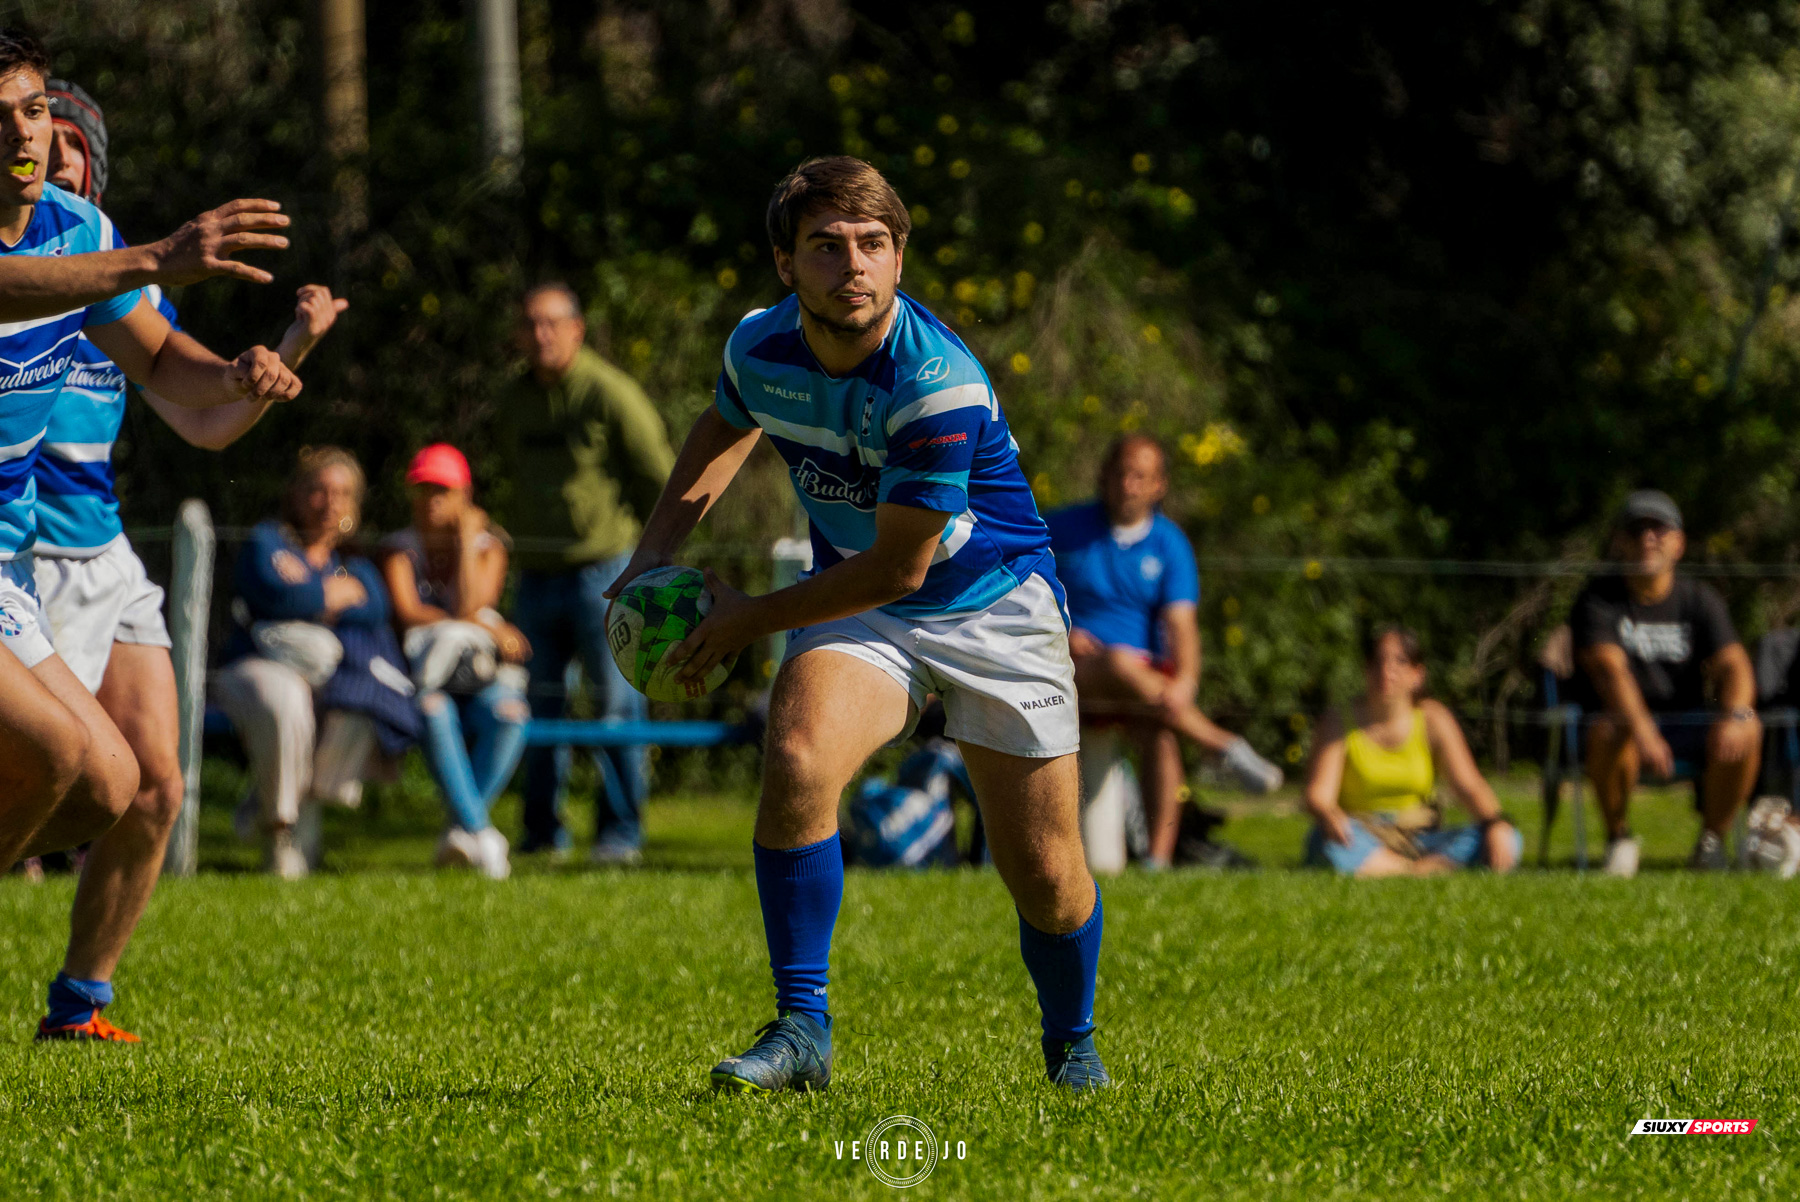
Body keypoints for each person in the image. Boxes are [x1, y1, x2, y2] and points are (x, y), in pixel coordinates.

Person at [607, 156, 1109, 1093]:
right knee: (798, 757)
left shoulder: (936, 382)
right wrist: (652, 555)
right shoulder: (758, 347)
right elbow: (726, 424)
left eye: (874, 244)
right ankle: (803, 1030)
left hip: (993, 608)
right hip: (861, 607)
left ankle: (1073, 1046)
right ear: (785, 264)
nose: (854, 266)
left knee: (1046, 873)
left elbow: (900, 566)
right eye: (826, 246)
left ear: (900, 257)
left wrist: (749, 621)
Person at [26, 77, 343, 1042]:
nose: (51, 154)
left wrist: (277, 357)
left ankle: (80, 1004)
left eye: (71, 142)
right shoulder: (22, 270)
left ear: (96, 167)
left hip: (103, 550)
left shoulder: (115, 275)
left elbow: (199, 417)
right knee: (62, 784)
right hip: (25, 554)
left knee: (157, 786)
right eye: (40, 134)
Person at [1047, 434, 1284, 868]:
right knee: (1119, 661)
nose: (1128, 485)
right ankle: (1219, 745)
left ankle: (1157, 861)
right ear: (1104, 476)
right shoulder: (1060, 529)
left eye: (1140, 476)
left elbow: (1181, 624)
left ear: (1160, 485)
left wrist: (1186, 683)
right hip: (1074, 673)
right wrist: (1062, 629)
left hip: (1144, 686)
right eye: (1121, 474)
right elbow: (1022, 588)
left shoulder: (1170, 544)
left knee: (1160, 733)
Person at [498, 282, 674, 863]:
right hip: (534, 576)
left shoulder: (608, 392)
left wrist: (650, 556)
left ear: (576, 329)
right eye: (530, 324)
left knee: (615, 707)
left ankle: (619, 835)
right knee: (535, 707)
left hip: (605, 575)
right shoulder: (513, 399)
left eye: (552, 323)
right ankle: (542, 834)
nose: (540, 335)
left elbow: (659, 475)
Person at [214, 448, 418, 879]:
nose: (330, 503)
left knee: (353, 705)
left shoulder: (355, 563)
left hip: (328, 682)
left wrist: (305, 591)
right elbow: (272, 594)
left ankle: (264, 806)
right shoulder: (268, 540)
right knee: (286, 698)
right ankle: (279, 832)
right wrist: (331, 594)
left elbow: (375, 609)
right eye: (319, 491)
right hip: (255, 665)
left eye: (342, 494)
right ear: (296, 494)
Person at [1571, 490, 1759, 876]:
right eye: (1636, 530)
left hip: (1687, 723)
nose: (1647, 538)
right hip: (1623, 723)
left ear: (1679, 543)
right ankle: (1619, 839)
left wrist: (1736, 714)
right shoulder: (1597, 600)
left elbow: (1735, 664)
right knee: (1609, 730)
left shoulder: (1700, 599)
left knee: (1749, 727)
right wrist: (1643, 730)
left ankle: (1711, 843)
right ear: (1619, 542)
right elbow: (1611, 671)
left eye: (1658, 529)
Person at [379, 443, 530, 881]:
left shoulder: (489, 548)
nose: (431, 500)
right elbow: (409, 613)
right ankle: (482, 834)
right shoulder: (397, 550)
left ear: (465, 495)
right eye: (423, 489)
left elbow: (468, 601)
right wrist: (487, 626)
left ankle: (460, 831)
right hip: (425, 680)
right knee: (434, 712)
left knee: (512, 715)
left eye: (442, 490)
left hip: (480, 680)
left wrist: (465, 542)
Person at [1304, 625, 1521, 877]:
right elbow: (1318, 794)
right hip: (1361, 835)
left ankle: (1396, 869)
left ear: (1417, 674)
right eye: (1378, 661)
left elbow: (1469, 785)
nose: (1387, 671)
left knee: (1507, 838)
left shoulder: (1433, 719)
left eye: (1400, 662)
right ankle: (1419, 871)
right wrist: (1330, 816)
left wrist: (1495, 824)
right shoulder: (1338, 720)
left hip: (1421, 839)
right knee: (1325, 841)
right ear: (1366, 669)